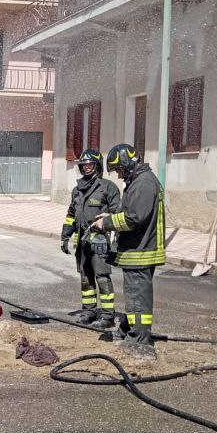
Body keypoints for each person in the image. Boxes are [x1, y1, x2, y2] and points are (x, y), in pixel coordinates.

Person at [93, 143, 165, 356]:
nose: (119, 174)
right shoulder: (139, 181)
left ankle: (140, 341)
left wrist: (106, 224)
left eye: (120, 169)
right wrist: (110, 217)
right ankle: (131, 331)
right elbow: (132, 211)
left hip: (140, 251)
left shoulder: (143, 184)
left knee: (138, 300)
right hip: (137, 250)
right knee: (134, 299)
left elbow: (133, 219)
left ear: (128, 164)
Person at [60, 149, 120, 331]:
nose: (86, 168)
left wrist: (108, 219)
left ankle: (108, 316)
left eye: (90, 164)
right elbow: (71, 215)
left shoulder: (108, 187)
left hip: (99, 242)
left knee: (102, 277)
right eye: (84, 165)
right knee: (86, 278)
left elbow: (118, 213)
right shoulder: (77, 190)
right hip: (82, 243)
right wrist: (65, 236)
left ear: (97, 166)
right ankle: (89, 312)